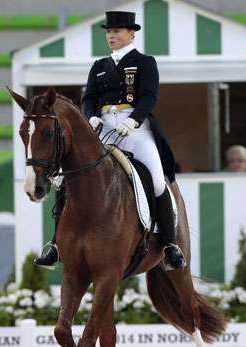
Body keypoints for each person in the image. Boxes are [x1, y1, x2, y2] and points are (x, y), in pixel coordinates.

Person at [34, 11, 186, 270]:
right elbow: (89, 97)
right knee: (65, 180)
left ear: (131, 34)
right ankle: (56, 244)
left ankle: (170, 244)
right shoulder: (100, 66)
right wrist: (91, 116)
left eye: (116, 31)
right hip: (103, 129)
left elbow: (149, 96)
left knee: (159, 182)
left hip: (135, 129)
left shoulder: (144, 62)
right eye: (108, 32)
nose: (111, 36)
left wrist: (134, 120)